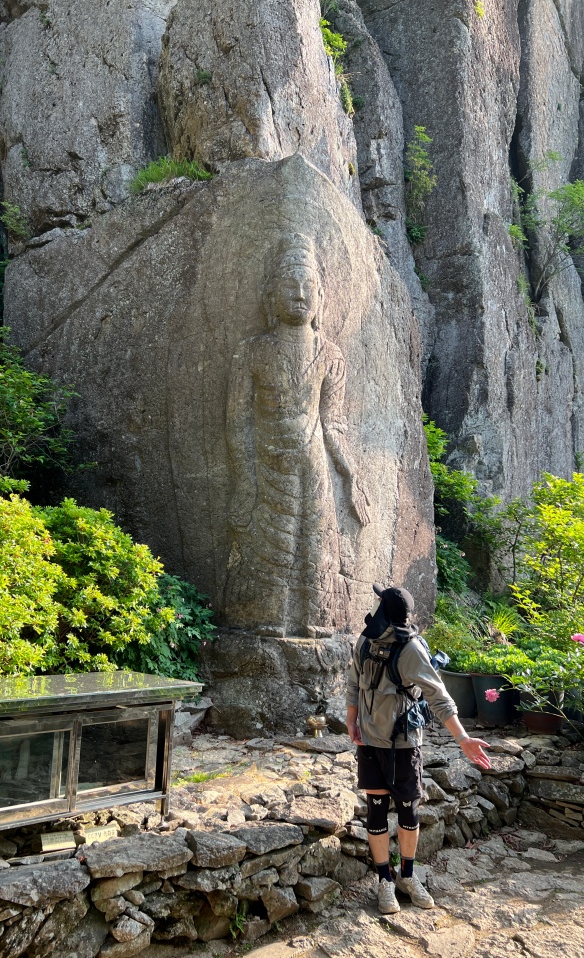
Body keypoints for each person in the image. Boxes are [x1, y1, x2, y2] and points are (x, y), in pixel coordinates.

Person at [225, 234, 369, 637]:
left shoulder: (331, 355)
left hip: (314, 470)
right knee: (268, 547)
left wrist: (351, 474)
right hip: (266, 466)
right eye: (289, 285)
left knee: (315, 549)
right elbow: (236, 423)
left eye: (308, 286)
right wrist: (244, 481)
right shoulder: (252, 352)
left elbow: (332, 422)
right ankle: (260, 618)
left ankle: (316, 619)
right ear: (270, 297)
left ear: (321, 297)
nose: (300, 294)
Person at [346, 584, 491, 914]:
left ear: (386, 608)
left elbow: (438, 696)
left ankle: (408, 877)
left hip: (403, 743)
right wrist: (351, 718)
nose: (375, 603)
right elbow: (354, 679)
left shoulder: (411, 649)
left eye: (379, 600)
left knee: (409, 810)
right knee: (377, 808)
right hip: (369, 739)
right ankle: (385, 880)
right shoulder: (365, 640)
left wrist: (463, 738)